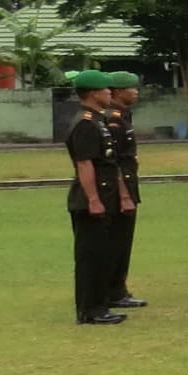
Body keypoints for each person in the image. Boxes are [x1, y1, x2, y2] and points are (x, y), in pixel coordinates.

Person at [62, 70, 127, 324]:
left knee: (103, 254)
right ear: (92, 93)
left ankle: (100, 305)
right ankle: (89, 310)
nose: (110, 92)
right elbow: (85, 164)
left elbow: (111, 164)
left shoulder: (99, 120)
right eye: (105, 89)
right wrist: (93, 199)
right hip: (91, 197)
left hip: (106, 193)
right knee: (90, 256)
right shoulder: (86, 123)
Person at [102, 69, 146, 309]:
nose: (136, 92)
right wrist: (125, 195)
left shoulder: (122, 116)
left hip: (127, 184)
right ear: (119, 91)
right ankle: (114, 291)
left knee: (122, 241)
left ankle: (118, 288)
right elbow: (114, 161)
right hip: (120, 189)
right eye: (132, 88)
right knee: (117, 241)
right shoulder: (114, 119)